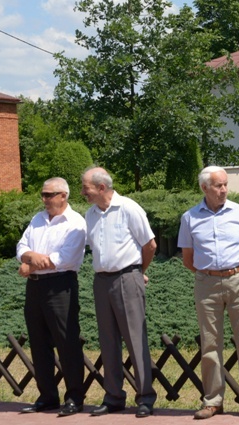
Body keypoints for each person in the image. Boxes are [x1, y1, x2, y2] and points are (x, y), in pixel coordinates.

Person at [178, 166, 239, 421]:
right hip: (206, 283)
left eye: (225, 184)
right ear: (204, 188)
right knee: (210, 343)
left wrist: (237, 271)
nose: (224, 189)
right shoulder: (190, 218)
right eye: (218, 185)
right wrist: (211, 273)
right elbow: (187, 259)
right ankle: (213, 401)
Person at [81, 167, 157, 418]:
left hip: (127, 277)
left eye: (86, 188)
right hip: (101, 281)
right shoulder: (90, 214)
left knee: (135, 340)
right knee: (108, 340)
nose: (83, 192)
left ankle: (145, 397)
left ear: (101, 188)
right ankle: (113, 397)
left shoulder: (129, 208)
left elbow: (150, 244)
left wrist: (138, 271)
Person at [16, 177, 86, 417]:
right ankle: (47, 397)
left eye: (49, 195)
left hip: (61, 286)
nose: (44, 199)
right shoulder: (37, 219)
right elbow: (21, 248)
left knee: (67, 342)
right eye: (42, 195)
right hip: (35, 288)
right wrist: (30, 259)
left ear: (63, 195)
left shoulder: (76, 222)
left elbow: (62, 258)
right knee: (38, 342)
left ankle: (75, 398)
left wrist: (30, 264)